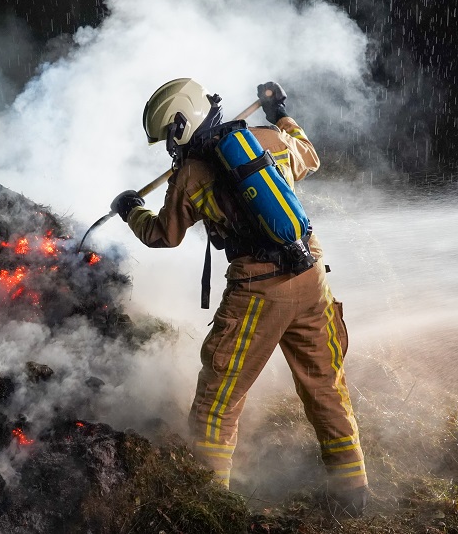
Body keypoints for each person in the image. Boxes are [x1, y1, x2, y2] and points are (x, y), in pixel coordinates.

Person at [110, 78, 368, 517]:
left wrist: (131, 208)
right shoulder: (266, 140)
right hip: (310, 277)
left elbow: (163, 236)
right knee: (325, 387)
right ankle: (352, 492)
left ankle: (210, 510)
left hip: (257, 292)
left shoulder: (190, 175)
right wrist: (278, 111)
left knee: (217, 402)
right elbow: (309, 153)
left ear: (179, 127)